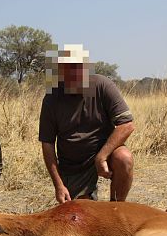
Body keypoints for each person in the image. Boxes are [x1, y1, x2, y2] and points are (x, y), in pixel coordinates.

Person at [39, 44, 134, 203]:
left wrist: (102, 156)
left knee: (124, 158)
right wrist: (59, 185)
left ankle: (117, 208)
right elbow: (47, 144)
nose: (74, 75)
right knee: (80, 212)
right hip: (73, 164)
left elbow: (127, 125)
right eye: (68, 70)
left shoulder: (103, 84)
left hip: (102, 152)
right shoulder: (51, 98)